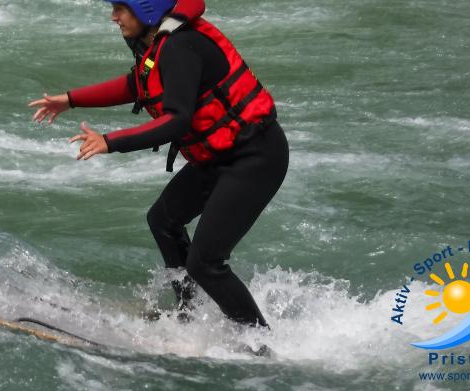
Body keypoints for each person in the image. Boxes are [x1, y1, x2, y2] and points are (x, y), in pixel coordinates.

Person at [28, 0, 288, 328]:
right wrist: (71, 99)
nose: (113, 17)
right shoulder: (159, 47)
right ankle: (188, 316)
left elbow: (177, 121)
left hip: (255, 157)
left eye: (121, 8)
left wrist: (111, 141)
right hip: (220, 157)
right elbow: (138, 84)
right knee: (163, 220)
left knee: (205, 263)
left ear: (147, 9)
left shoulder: (180, 47)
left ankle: (258, 343)